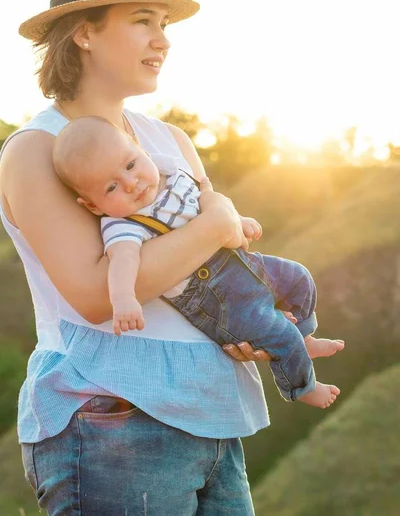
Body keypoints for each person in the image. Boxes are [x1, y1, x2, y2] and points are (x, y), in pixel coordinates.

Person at [0, 0, 339, 516]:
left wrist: (242, 328)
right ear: (83, 31)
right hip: (112, 418)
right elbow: (96, 295)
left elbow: (220, 260)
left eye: (163, 23)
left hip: (210, 413)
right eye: (142, 22)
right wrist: (214, 221)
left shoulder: (170, 140)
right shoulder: (37, 149)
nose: (164, 39)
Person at [53, 115, 344, 408]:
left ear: (140, 149)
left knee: (299, 278)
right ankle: (302, 387)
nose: (131, 183)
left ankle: (305, 338)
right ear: (92, 205)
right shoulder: (122, 224)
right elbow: (123, 260)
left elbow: (207, 203)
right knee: (278, 333)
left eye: (130, 165)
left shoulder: (173, 174)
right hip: (215, 299)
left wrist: (237, 219)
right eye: (111, 187)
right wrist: (124, 297)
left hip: (243, 261)